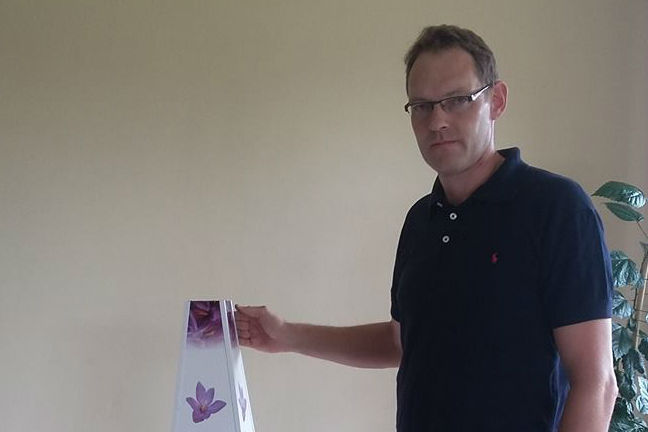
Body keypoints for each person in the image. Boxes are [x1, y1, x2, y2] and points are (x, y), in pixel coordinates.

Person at [235, 25, 617, 431]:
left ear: (496, 101)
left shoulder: (556, 207)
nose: (437, 121)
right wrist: (287, 335)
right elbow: (401, 341)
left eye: (457, 100)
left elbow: (596, 384)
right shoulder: (421, 220)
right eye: (422, 106)